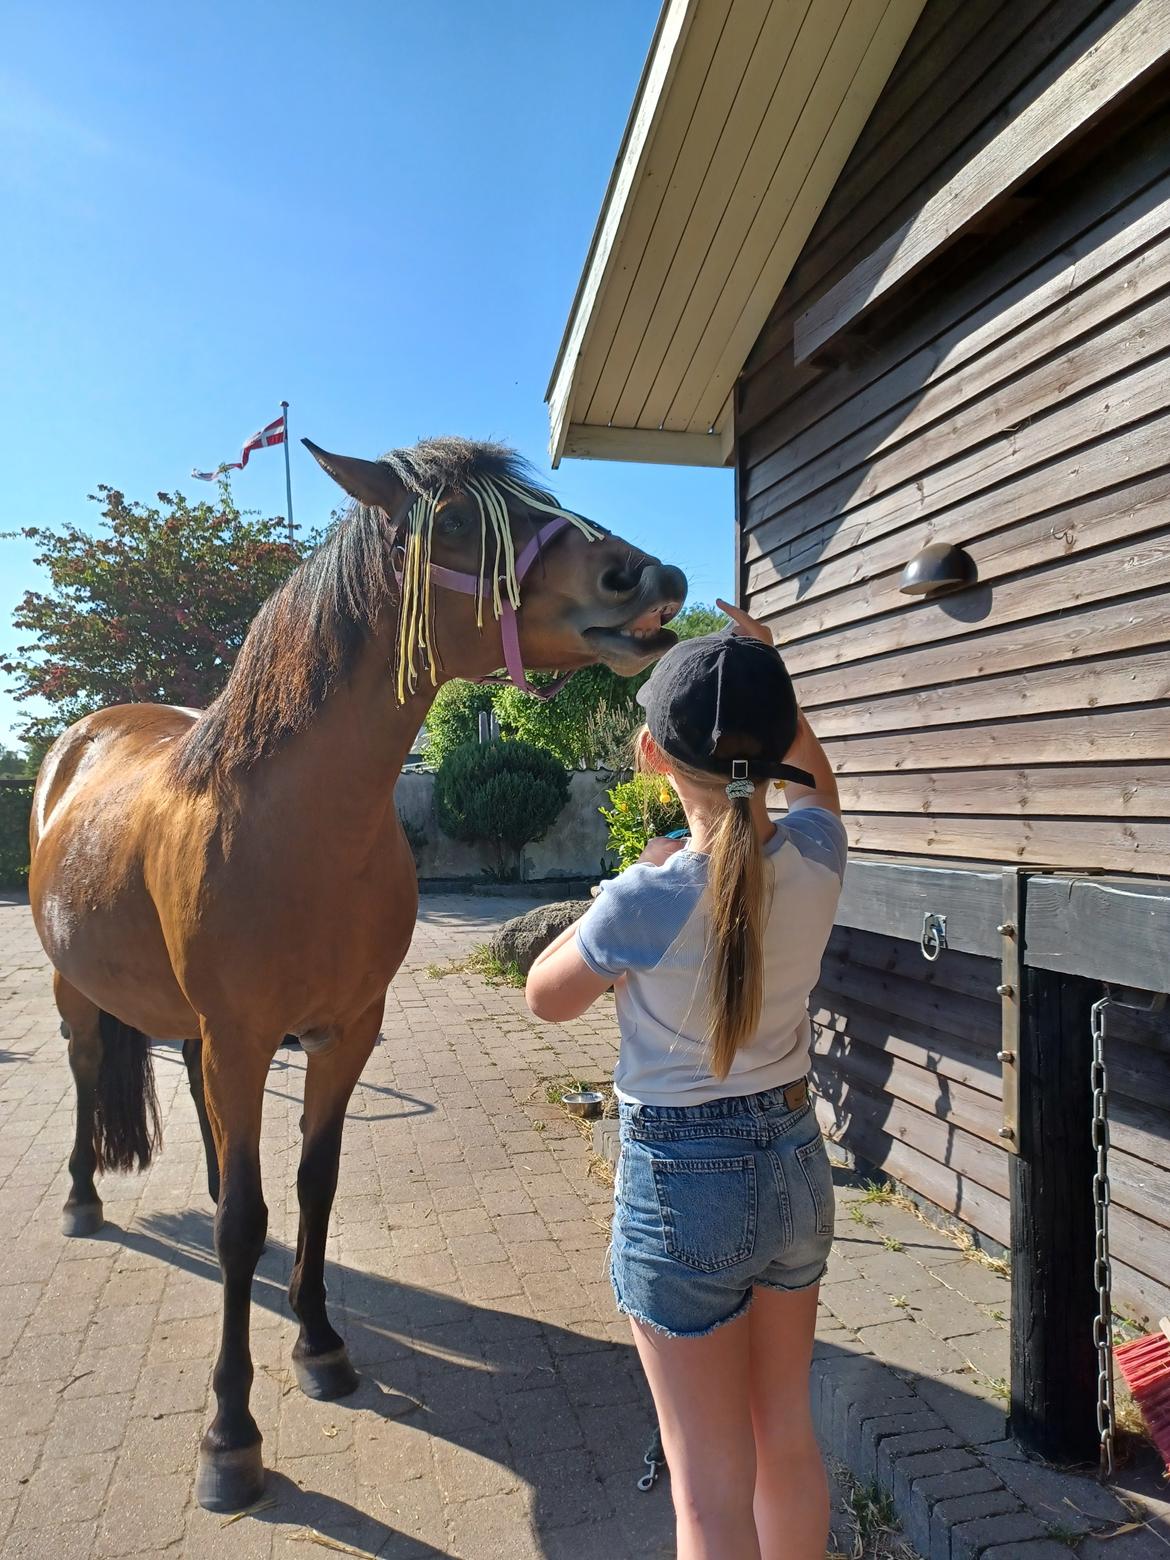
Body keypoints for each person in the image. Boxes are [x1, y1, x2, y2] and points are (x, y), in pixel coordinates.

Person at [526, 601, 845, 1560]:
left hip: (682, 1190)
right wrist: (773, 675)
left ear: (653, 757)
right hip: (794, 1164)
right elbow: (819, 791)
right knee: (784, 1440)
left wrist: (619, 899)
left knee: (707, 1492)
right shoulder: (820, 860)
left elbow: (546, 998)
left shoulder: (649, 894)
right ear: (780, 743)